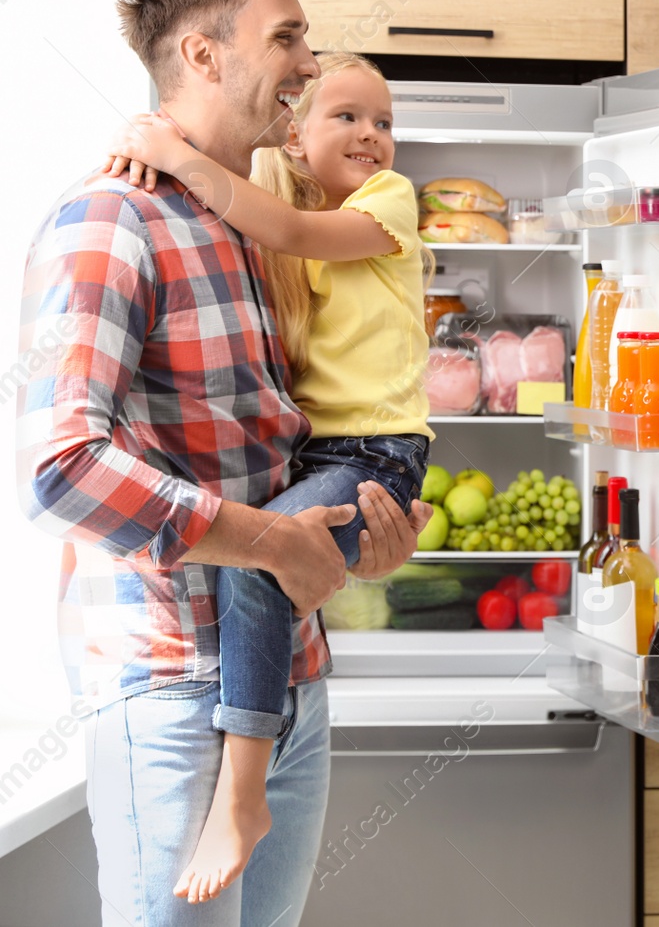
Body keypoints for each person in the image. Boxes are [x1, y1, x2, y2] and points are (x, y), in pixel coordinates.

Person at [16, 0, 430, 927]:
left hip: (288, 675)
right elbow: (60, 465)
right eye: (286, 37)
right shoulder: (109, 220)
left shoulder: (256, 223)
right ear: (204, 52)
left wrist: (356, 542)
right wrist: (276, 542)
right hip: (169, 688)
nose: (309, 60)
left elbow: (290, 452)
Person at [105, 50, 434, 904]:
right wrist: (160, 146)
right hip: (327, 456)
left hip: (376, 452)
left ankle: (242, 796)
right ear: (294, 139)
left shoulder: (385, 203)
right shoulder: (276, 217)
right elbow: (269, 218)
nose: (372, 135)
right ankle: (246, 786)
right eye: (347, 117)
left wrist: (180, 156)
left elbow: (285, 229)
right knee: (266, 569)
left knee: (259, 567)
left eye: (384, 121)